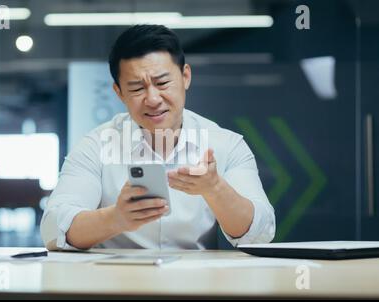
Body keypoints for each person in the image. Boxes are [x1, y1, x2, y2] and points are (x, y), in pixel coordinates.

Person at [40, 24, 275, 250]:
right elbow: (53, 229)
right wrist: (115, 218)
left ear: (185, 77)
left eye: (162, 82)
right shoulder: (95, 146)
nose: (152, 99)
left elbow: (260, 234)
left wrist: (215, 189)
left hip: (198, 284)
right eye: (136, 88)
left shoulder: (227, 145)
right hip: (116, 284)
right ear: (119, 92)